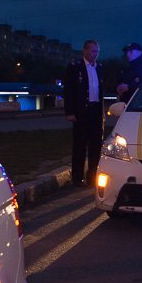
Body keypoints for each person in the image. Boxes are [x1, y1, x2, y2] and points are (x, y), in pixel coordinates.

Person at [63, 39, 104, 187]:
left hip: (95, 110)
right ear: (85, 51)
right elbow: (69, 91)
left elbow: (100, 90)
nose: (95, 54)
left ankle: (92, 177)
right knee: (80, 145)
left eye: (97, 51)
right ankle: (77, 178)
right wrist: (70, 112)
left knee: (96, 145)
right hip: (81, 111)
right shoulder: (75, 67)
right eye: (93, 51)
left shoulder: (99, 68)